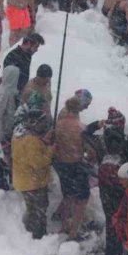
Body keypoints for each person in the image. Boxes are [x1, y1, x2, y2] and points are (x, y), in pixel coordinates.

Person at [12, 102, 54, 239]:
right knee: (39, 209)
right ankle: (38, 235)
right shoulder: (31, 140)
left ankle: (29, 230)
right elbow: (38, 163)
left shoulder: (19, 133)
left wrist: (42, 142)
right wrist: (50, 150)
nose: (44, 125)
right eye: (42, 123)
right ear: (34, 122)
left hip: (22, 179)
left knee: (31, 208)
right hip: (33, 182)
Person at [54, 94, 92, 240]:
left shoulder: (58, 125)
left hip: (62, 164)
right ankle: (74, 231)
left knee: (67, 196)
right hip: (76, 164)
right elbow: (90, 151)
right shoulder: (80, 127)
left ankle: (64, 225)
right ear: (78, 110)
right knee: (81, 199)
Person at [0, 65, 21, 160]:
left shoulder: (10, 90)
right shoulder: (4, 93)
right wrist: (1, 135)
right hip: (4, 130)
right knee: (8, 154)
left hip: (9, 128)